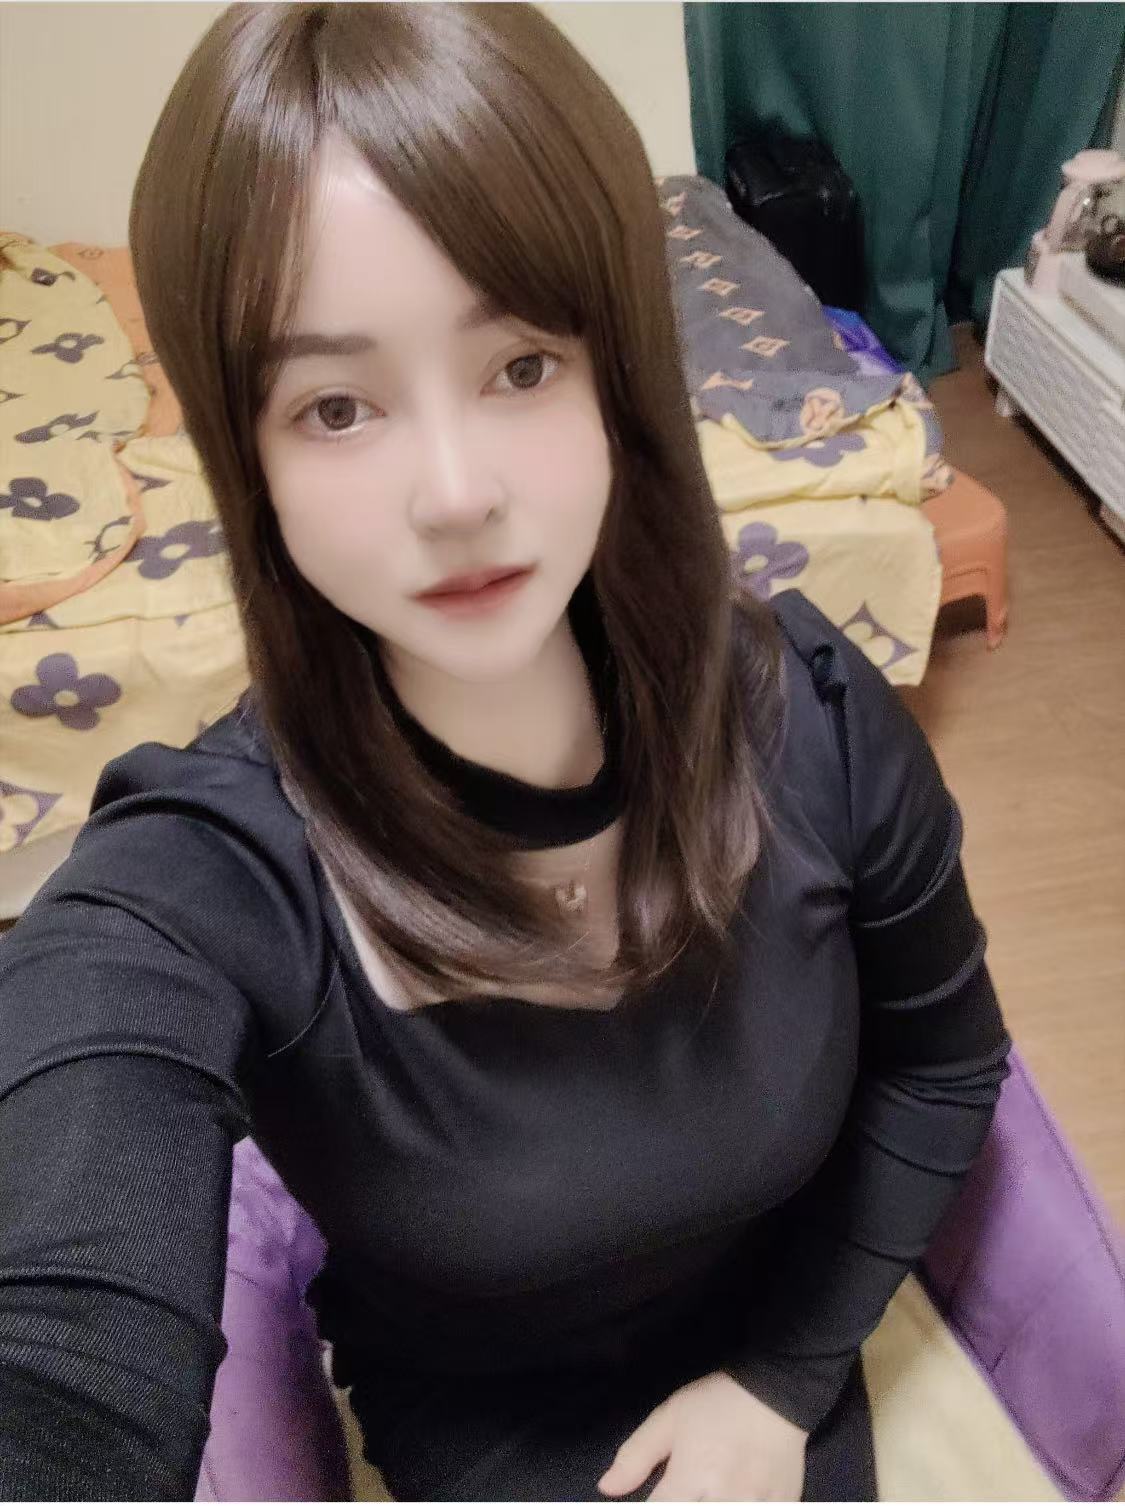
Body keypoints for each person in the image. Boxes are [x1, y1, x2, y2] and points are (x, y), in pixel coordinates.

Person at [0, 4, 1011, 1500]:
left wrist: (781, 1381)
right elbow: (60, 1342)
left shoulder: (809, 713)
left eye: (522, 365)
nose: (456, 494)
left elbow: (944, 1060)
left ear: (618, 375)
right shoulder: (207, 871)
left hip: (773, 1360)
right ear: (246, 455)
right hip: (485, 1416)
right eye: (336, 406)